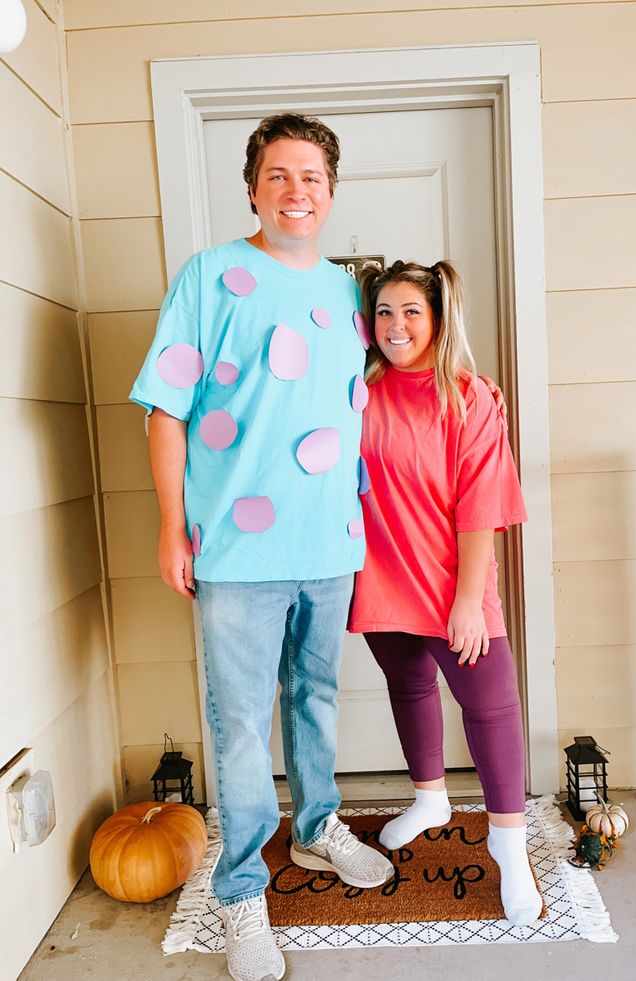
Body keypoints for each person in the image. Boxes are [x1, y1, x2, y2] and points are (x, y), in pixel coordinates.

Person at [130, 113, 393, 981]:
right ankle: (242, 892)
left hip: (329, 541)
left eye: (311, 177)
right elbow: (167, 409)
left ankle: (318, 830)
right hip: (235, 552)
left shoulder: (348, 295)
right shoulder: (209, 277)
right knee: (240, 725)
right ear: (252, 188)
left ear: (331, 191)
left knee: (315, 699)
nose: (296, 191)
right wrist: (173, 524)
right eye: (278, 175)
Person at [348, 259, 543, 926]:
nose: (396, 325)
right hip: (379, 572)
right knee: (408, 685)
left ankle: (508, 847)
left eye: (410, 311)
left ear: (436, 318)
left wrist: (467, 598)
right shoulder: (356, 390)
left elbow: (481, 503)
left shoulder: (468, 397)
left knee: (490, 708)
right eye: (383, 311)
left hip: (452, 580)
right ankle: (429, 797)